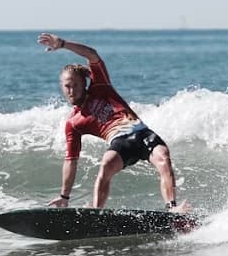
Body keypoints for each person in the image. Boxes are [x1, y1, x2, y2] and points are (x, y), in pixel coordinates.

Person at [38, 32, 189, 212]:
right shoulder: (74, 123)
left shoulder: (100, 86)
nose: (71, 91)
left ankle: (172, 209)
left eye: (75, 85)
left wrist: (63, 44)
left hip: (142, 133)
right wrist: (64, 196)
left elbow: (92, 55)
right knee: (107, 163)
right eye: (67, 86)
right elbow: (71, 160)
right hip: (120, 142)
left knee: (163, 157)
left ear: (84, 84)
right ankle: (96, 212)